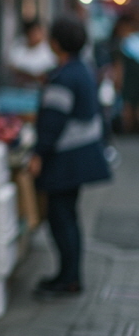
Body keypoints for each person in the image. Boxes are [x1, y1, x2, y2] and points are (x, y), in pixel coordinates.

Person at [29, 15, 112, 297]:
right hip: (81, 156)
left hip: (67, 159)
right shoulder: (83, 69)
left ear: (55, 43)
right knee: (68, 217)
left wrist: (39, 153)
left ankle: (68, 279)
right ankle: (69, 275)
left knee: (61, 218)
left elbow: (52, 121)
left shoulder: (64, 77)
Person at [7, 19, 57, 87]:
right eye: (33, 32)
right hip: (17, 88)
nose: (36, 35)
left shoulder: (48, 49)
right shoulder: (19, 44)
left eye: (39, 32)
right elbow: (11, 64)